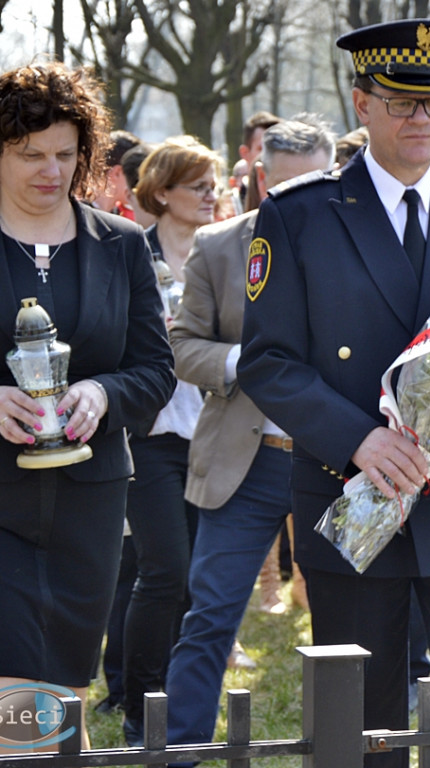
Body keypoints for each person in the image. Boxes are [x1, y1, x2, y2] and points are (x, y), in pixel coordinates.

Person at [238, 18, 430, 768]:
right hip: (353, 498)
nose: (422, 120)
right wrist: (358, 438)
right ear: (362, 104)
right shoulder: (299, 213)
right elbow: (268, 361)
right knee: (362, 727)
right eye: (403, 103)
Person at [0, 60, 174, 745]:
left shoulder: (122, 244)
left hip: (90, 499)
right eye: (30, 155)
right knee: (15, 684)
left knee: (67, 683)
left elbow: (155, 371)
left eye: (66, 154)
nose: (52, 170)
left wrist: (103, 392)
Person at [162, 114, 337, 752]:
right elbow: (183, 346)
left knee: (353, 620)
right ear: (260, 178)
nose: (297, 200)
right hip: (248, 459)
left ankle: (354, 745)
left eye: (314, 184)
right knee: (210, 614)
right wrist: (245, 362)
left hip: (338, 461)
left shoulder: (364, 247)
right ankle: (180, 749)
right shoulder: (217, 246)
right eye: (284, 186)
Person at [119, 135, 222, 746]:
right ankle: (140, 707)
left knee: (197, 580)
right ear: (162, 193)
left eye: (215, 185)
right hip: (151, 437)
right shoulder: (132, 251)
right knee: (164, 570)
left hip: (213, 438)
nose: (212, 196)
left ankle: (180, 705)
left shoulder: (223, 252)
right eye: (198, 186)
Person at [89, 129, 142, 217]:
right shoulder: (74, 212)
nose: (141, 184)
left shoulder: (123, 217)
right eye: (137, 175)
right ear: (117, 173)